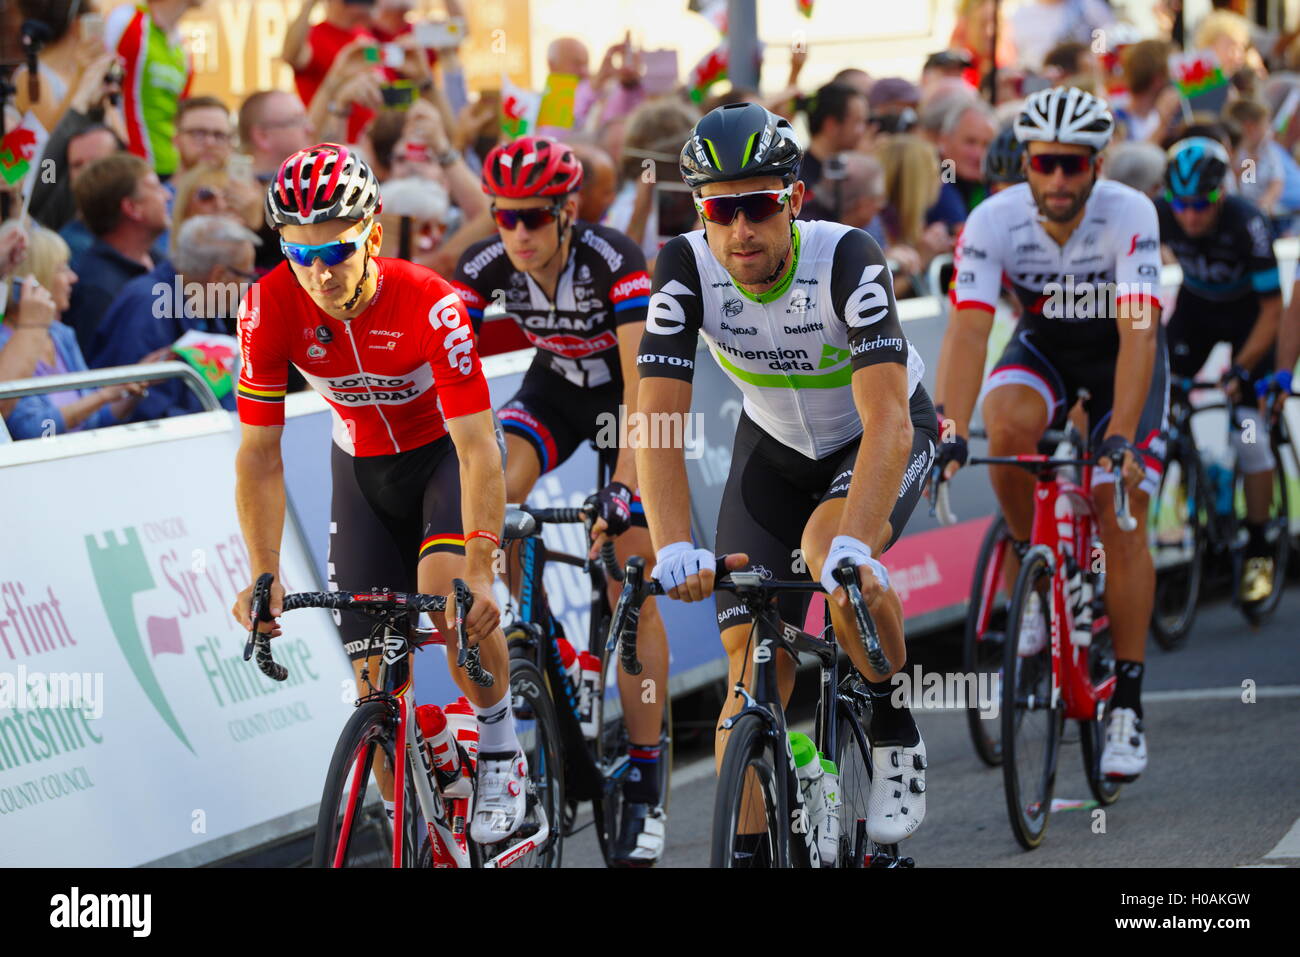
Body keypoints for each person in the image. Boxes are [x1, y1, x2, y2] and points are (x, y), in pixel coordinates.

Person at [636, 103, 937, 857]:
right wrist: (674, 543)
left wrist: (855, 544)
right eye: (722, 208)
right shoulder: (683, 267)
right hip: (771, 450)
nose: (742, 228)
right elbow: (657, 424)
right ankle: (744, 850)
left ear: (794, 201)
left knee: (833, 558)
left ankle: (894, 721)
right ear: (702, 211)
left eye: (760, 205)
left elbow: (891, 422)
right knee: (747, 675)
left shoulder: (847, 256)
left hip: (877, 435)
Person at [230, 143, 525, 843]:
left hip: (442, 460)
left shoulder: (431, 302)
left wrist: (483, 566)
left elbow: (479, 446)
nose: (318, 274)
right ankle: (410, 828)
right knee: (374, 687)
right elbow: (258, 455)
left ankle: (502, 744)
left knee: (453, 602)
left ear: (373, 232)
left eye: (333, 252)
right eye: (299, 256)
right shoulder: (267, 306)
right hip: (361, 473)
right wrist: (262, 572)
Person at [936, 86, 1166, 783]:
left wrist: (1121, 435)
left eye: (1072, 164)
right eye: (1045, 164)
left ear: (1097, 164)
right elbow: (971, 330)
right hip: (1044, 349)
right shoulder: (991, 219)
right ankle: (1031, 563)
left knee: (1114, 507)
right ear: (1026, 164)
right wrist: (947, 425)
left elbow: (1137, 333)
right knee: (1003, 425)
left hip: (1121, 358)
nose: (1058, 179)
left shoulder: (1131, 213)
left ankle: (1126, 701)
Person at [451, 136, 671, 864]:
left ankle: (645, 777)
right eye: (505, 216)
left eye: (535, 218)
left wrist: (624, 486)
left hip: (624, 404)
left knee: (628, 569)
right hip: (553, 391)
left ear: (567, 211)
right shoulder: (484, 265)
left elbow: (644, 390)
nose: (519, 232)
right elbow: (449, 374)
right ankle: (519, 628)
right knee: (495, 495)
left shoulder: (613, 259)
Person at [1157, 137, 1284, 601]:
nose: (1190, 216)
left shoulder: (1246, 221)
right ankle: (1199, 478)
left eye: (1201, 204)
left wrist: (1241, 369)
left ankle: (1258, 546)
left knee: (1248, 433)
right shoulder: (1159, 213)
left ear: (1222, 194)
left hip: (1251, 318)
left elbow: (1274, 310)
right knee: (1159, 392)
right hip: (1196, 311)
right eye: (1181, 204)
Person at [90, 214, 254, 422]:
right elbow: (144, 412)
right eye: (247, 276)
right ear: (219, 276)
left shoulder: (204, 306)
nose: (249, 286)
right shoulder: (148, 306)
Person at [0, 226, 145, 439]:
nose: (73, 277)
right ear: (34, 278)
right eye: (61, 269)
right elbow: (32, 431)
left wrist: (134, 387)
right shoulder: (7, 344)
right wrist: (104, 396)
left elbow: (94, 418)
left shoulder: (60, 334)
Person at [66, 152, 172, 355]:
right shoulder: (96, 290)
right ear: (132, 208)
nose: (167, 195)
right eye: (155, 188)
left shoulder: (161, 264)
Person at [105, 0, 203, 178]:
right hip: (129, 168)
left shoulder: (183, 46)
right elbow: (100, 88)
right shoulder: (127, 20)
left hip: (170, 170)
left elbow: (179, 114)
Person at [237, 91, 315, 272]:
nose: (310, 128)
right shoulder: (227, 192)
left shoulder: (307, 184)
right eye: (297, 121)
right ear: (262, 136)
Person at [796, 82, 870, 222]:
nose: (865, 131)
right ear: (831, 125)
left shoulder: (846, 170)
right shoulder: (798, 176)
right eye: (858, 122)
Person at [282, 0, 375, 109]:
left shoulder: (365, 36)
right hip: (328, 121)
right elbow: (290, 56)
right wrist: (309, 4)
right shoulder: (312, 36)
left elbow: (377, 70)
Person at [57, 126, 126, 259]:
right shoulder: (68, 248)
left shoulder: (152, 220)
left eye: (96, 163)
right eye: (77, 165)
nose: (87, 172)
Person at [936, 97, 996, 215]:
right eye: (970, 142)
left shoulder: (991, 187)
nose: (979, 154)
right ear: (945, 140)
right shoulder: (933, 185)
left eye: (987, 145)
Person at [173, 96, 234, 175]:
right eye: (198, 134)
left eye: (219, 135)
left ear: (230, 145)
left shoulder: (249, 186)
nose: (210, 143)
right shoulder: (154, 187)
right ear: (176, 141)